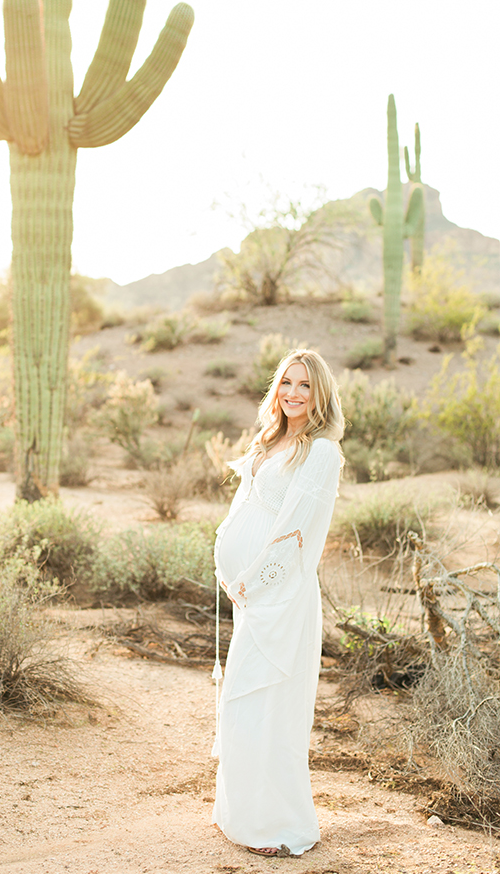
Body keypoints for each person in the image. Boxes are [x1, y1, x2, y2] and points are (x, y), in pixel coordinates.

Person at [212, 348, 344, 858]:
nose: (293, 393)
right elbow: (244, 508)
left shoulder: (322, 452)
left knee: (267, 707)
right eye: (287, 382)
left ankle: (277, 826)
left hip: (282, 596)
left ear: (320, 394)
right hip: (252, 596)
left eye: (305, 385)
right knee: (241, 704)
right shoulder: (271, 439)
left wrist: (253, 580)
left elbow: (295, 533)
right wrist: (228, 564)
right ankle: (240, 816)